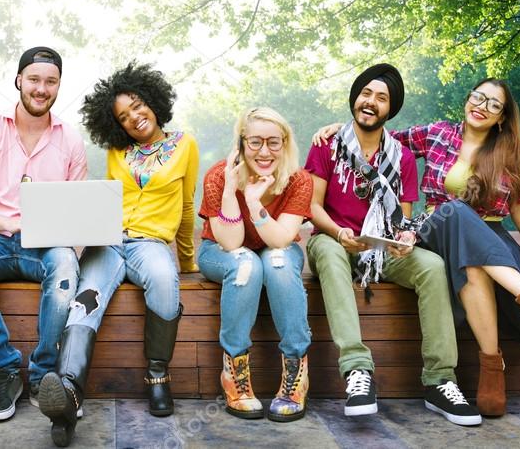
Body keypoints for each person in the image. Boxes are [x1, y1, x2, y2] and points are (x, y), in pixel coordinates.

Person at [379, 78, 520, 416]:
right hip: (435, 231)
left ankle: (492, 368)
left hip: (491, 241)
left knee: (471, 262)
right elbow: (380, 141)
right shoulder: (438, 134)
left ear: (502, 117)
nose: (481, 106)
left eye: (493, 104)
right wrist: (339, 130)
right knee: (455, 210)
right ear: (467, 99)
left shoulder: (516, 155)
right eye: (478, 97)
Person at [305, 63, 481, 426]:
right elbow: (312, 207)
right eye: (366, 94)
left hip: (379, 249)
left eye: (381, 98)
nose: (371, 102)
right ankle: (357, 371)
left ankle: (440, 379)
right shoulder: (328, 144)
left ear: (391, 109)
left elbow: (401, 218)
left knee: (431, 266)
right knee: (324, 248)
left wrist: (403, 238)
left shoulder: (401, 157)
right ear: (355, 98)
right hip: (336, 241)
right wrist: (339, 232)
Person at [38, 62, 198, 447]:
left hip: (151, 244)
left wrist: (188, 260)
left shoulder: (185, 146)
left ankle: (157, 375)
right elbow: (106, 201)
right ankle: (68, 391)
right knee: (84, 299)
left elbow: (188, 206)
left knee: (163, 279)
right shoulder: (116, 151)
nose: (134, 118)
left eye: (138, 106)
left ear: (154, 102)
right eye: (123, 117)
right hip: (108, 242)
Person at [0, 46, 87, 423]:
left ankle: (43, 374)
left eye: (50, 81)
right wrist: (11, 224)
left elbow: (77, 210)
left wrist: (70, 242)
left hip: (44, 246)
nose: (41, 89)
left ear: (58, 86)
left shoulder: (70, 139)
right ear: (19, 81)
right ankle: (4, 372)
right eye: (34, 80)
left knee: (64, 262)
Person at [196, 107, 313, 422]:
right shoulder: (219, 175)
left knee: (276, 263)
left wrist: (254, 202)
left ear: (285, 144)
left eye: (274, 142)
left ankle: (295, 372)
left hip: (275, 246)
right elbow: (231, 243)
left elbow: (281, 239)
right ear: (241, 143)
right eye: (255, 142)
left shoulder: (299, 180)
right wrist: (235, 191)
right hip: (219, 251)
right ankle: (234, 373)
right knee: (246, 264)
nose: (264, 152)